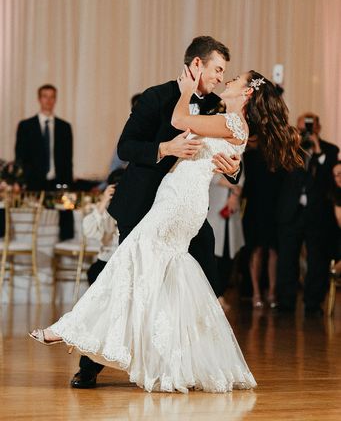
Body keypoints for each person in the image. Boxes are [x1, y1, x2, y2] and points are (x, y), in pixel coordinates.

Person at [30, 67, 302, 394]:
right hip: (175, 201)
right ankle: (166, 361)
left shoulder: (231, 121)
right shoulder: (223, 119)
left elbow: (179, 121)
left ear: (246, 94)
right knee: (163, 276)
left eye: (232, 78)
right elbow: (139, 145)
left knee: (129, 262)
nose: (225, 79)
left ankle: (71, 329)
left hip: (178, 205)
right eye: (219, 70)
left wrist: (186, 92)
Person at [66, 36, 241, 389]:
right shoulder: (155, 97)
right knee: (128, 284)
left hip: (183, 215)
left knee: (203, 282)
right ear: (196, 65)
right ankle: (90, 365)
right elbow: (126, 146)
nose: (221, 78)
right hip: (143, 207)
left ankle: (187, 366)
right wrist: (166, 147)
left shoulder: (214, 108)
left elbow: (229, 152)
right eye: (217, 69)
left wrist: (232, 169)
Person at [276, 113, 339, 315]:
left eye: (310, 128)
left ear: (318, 128)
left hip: (317, 213)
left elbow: (329, 177)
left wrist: (317, 149)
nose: (306, 132)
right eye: (303, 128)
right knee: (287, 258)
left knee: (316, 260)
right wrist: (296, 143)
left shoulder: (330, 150)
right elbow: (283, 170)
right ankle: (286, 302)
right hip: (291, 212)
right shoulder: (290, 148)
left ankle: (313, 304)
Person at [242, 137, 283, 308]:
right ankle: (256, 292)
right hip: (255, 208)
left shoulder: (280, 157)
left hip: (276, 208)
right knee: (256, 250)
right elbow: (245, 185)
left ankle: (272, 291)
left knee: (274, 251)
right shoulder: (250, 156)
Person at [15, 84, 73, 191]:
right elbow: (20, 158)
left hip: (57, 184)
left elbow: (68, 160)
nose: (48, 100)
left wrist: (68, 185)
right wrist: (19, 182)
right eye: (45, 96)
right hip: (32, 184)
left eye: (52, 97)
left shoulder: (64, 127)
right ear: (39, 99)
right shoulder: (26, 126)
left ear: (55, 99)